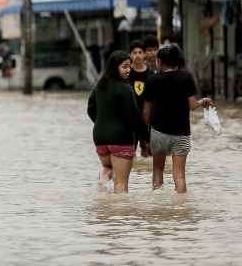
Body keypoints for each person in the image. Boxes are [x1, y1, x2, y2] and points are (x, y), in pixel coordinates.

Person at [143, 45, 213, 193]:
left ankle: (158, 205)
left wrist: (145, 134)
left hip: (158, 132)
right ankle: (181, 210)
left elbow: (146, 111)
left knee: (157, 171)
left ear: (159, 62)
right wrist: (203, 102)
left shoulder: (152, 79)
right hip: (181, 133)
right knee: (180, 175)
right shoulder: (186, 77)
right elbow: (193, 106)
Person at [87, 51, 150, 194]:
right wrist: (147, 137)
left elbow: (90, 109)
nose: (128, 70)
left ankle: (99, 186)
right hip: (121, 138)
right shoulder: (125, 89)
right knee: (120, 182)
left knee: (109, 168)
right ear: (115, 67)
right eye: (125, 67)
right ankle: (120, 215)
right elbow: (134, 118)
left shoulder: (99, 85)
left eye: (129, 66)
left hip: (100, 138)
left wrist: (102, 123)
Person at [128, 40, 155, 157]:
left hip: (147, 117)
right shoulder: (127, 72)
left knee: (147, 152)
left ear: (144, 54)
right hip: (131, 118)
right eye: (134, 53)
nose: (137, 55)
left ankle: (144, 174)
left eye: (140, 52)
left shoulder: (151, 73)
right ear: (130, 55)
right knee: (131, 153)